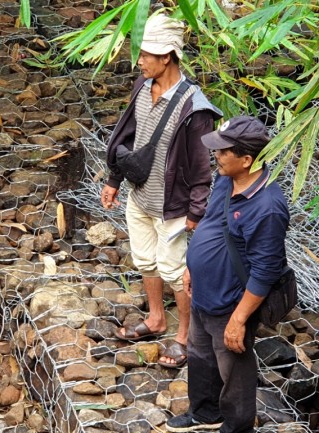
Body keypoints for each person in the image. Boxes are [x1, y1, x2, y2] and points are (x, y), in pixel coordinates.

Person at [101, 13, 222, 367]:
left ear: (167, 56)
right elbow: (127, 137)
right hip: (140, 196)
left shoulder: (193, 108)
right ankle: (156, 318)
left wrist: (195, 214)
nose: (139, 61)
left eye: (146, 55)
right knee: (145, 261)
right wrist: (113, 179)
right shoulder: (142, 86)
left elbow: (202, 168)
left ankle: (184, 337)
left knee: (175, 272)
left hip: (173, 207)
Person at [166, 116, 289, 433]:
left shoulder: (267, 206)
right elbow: (212, 221)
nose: (215, 156)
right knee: (199, 353)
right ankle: (206, 412)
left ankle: (237, 432)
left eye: (222, 152)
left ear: (246, 159)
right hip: (205, 292)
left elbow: (265, 271)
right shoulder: (226, 178)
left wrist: (238, 320)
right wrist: (193, 266)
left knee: (234, 369)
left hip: (230, 302)